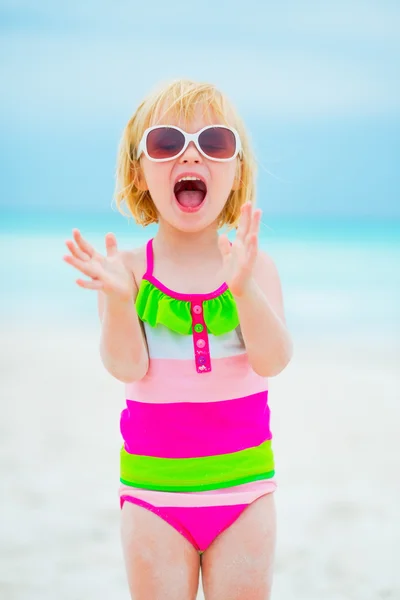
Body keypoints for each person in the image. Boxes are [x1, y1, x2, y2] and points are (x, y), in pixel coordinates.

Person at [63, 79, 293, 600]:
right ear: (140, 174)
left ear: (235, 175)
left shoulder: (254, 269)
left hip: (245, 491)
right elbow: (124, 367)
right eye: (167, 143)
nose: (191, 154)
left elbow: (274, 360)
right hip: (153, 496)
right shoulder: (128, 273)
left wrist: (243, 290)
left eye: (214, 143)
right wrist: (121, 301)